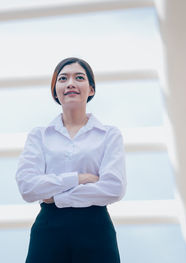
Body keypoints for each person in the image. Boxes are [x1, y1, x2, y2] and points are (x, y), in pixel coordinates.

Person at [15, 57, 126, 263]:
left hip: (96, 229)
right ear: (55, 90)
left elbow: (114, 187)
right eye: (63, 78)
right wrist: (80, 178)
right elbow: (28, 187)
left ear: (91, 89)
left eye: (79, 77)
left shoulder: (109, 134)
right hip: (48, 230)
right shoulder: (39, 135)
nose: (70, 83)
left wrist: (56, 197)